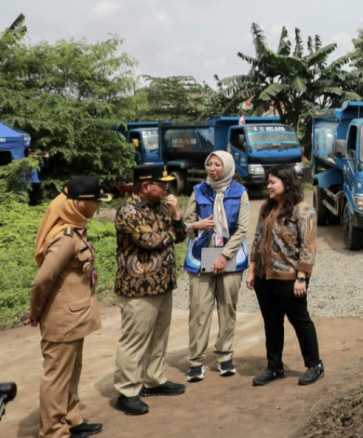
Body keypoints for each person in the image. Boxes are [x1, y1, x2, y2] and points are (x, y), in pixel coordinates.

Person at [28, 177, 110, 438]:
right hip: (61, 319)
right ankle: (53, 430)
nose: (97, 206)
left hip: (73, 317)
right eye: (94, 202)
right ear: (80, 205)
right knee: (57, 376)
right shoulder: (64, 238)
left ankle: (71, 418)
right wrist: (35, 311)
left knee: (72, 371)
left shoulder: (75, 228)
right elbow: (41, 281)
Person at [112, 164, 187, 416]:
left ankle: (154, 379)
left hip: (162, 283)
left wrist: (176, 214)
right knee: (134, 340)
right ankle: (128, 390)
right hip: (138, 287)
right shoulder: (128, 211)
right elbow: (149, 241)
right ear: (145, 186)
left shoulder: (161, 208)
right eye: (161, 183)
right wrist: (169, 232)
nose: (166, 187)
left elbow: (180, 234)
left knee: (159, 336)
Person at [246, 165, 324, 386]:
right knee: (271, 323)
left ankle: (314, 364)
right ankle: (274, 367)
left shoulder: (302, 210)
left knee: (300, 320)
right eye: (268, 182)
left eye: (273, 182)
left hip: (289, 277)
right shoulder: (266, 209)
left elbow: (308, 246)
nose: (268, 186)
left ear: (287, 184)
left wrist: (301, 277)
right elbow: (257, 238)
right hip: (264, 276)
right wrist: (252, 270)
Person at [181, 151, 251, 382]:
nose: (212, 168)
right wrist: (197, 225)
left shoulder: (240, 193)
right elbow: (184, 224)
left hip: (228, 254)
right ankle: (196, 361)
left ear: (228, 167)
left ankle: (224, 356)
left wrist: (224, 257)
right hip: (202, 254)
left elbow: (242, 229)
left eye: (217, 164)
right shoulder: (198, 190)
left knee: (227, 307)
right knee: (199, 309)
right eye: (209, 164)